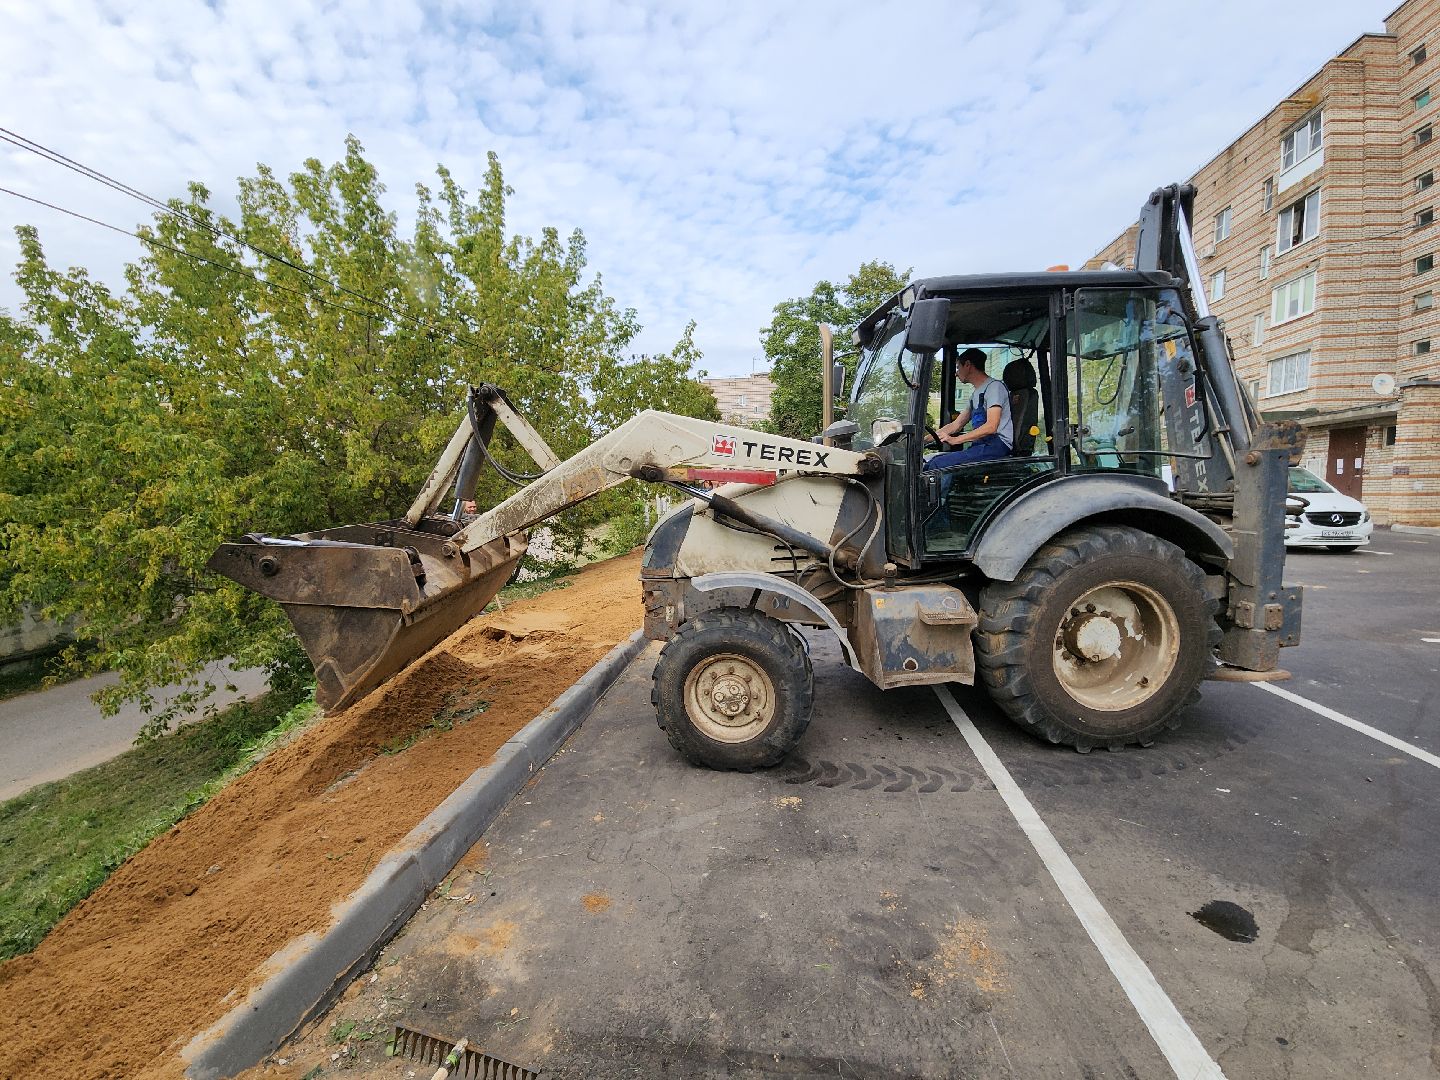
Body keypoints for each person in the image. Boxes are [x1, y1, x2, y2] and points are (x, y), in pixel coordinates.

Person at [924, 347, 1013, 470]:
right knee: (929, 463)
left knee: (938, 466)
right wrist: (925, 440)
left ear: (967, 365)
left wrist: (957, 440)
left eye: (957, 367)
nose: (956, 373)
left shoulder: (994, 387)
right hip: (981, 446)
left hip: (997, 447)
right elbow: (956, 425)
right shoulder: (975, 394)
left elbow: (991, 427)